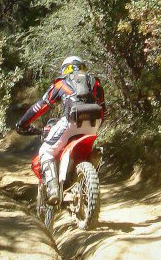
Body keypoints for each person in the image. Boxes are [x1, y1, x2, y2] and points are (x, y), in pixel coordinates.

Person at [15, 55, 106, 205]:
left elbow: (39, 107)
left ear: (66, 68)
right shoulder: (95, 83)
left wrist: (22, 123)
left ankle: (52, 190)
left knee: (46, 151)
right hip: (93, 124)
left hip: (70, 122)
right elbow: (104, 111)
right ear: (82, 67)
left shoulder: (61, 84)